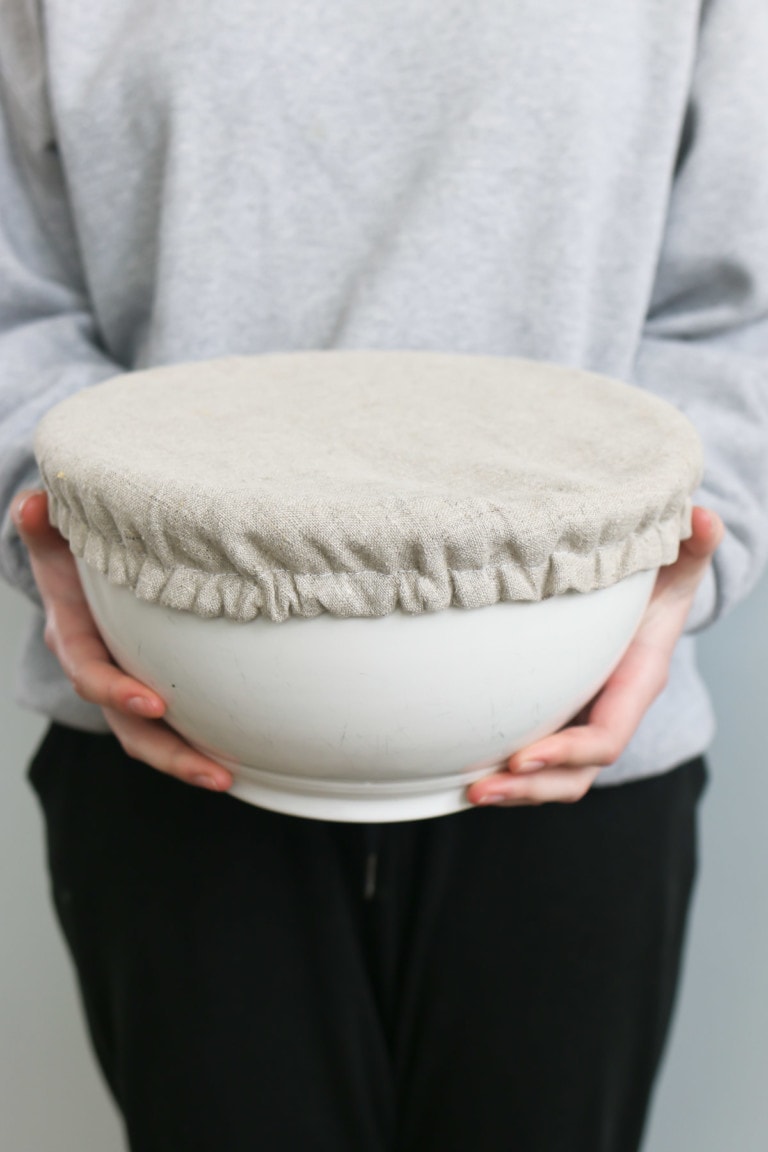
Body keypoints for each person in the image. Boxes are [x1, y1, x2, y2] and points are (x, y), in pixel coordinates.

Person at [1, 3, 766, 1150]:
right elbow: (17, 304)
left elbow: (734, 307)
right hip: (173, 730)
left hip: (570, 733)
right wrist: (48, 536)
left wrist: (683, 565)